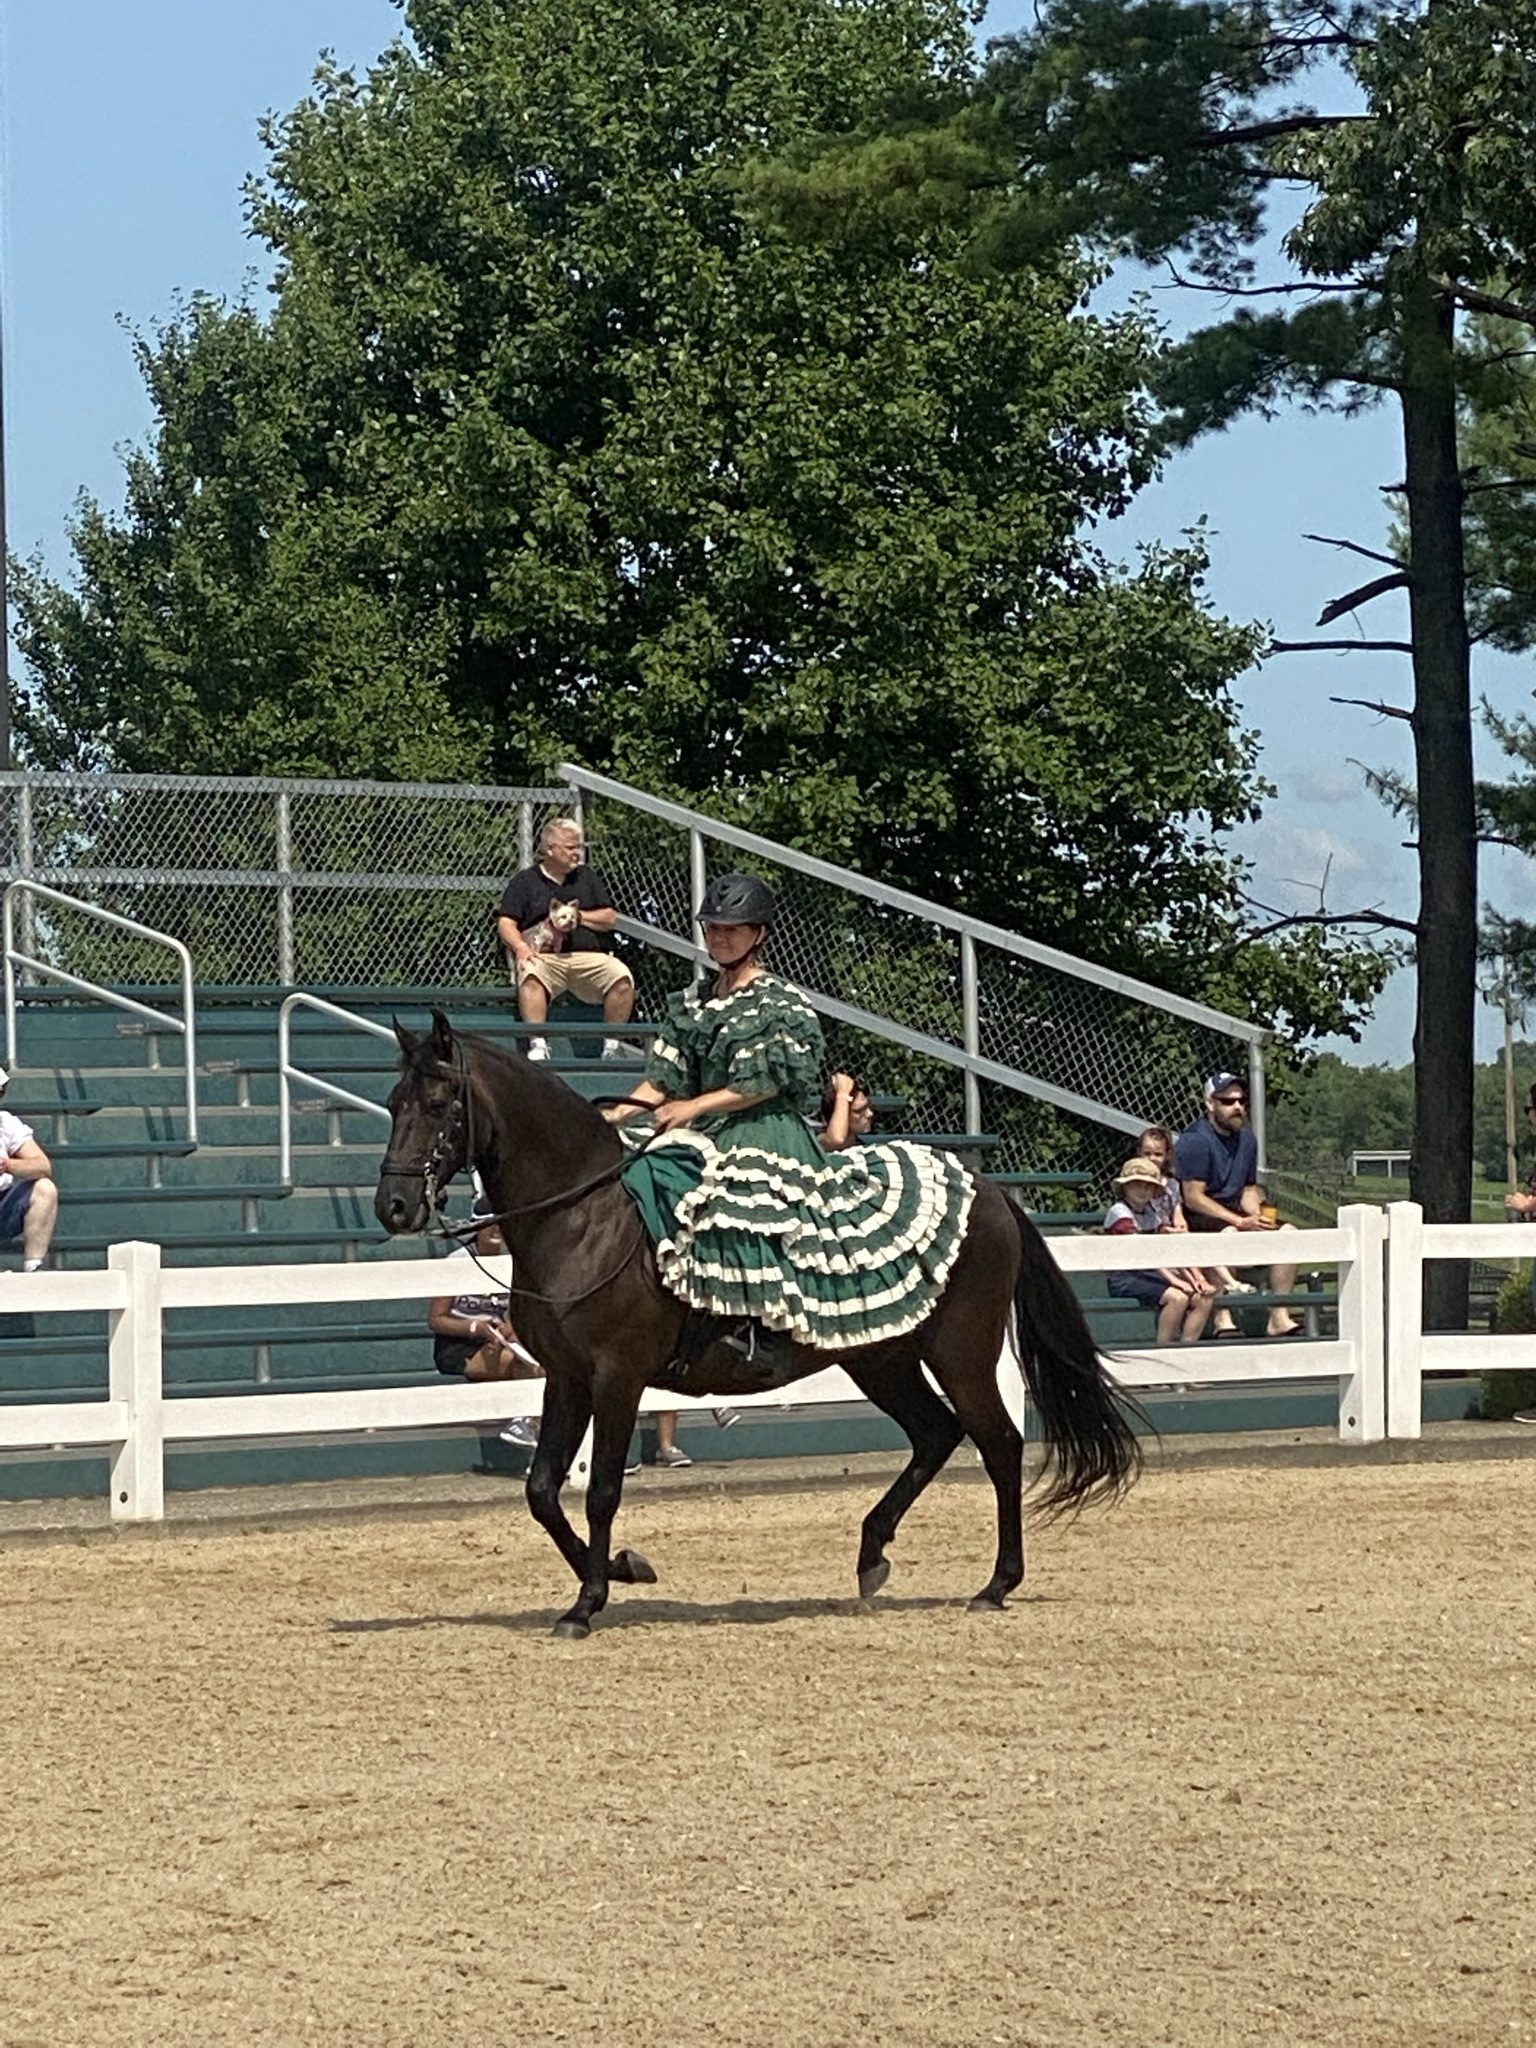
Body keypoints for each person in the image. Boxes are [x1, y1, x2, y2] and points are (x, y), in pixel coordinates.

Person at [605, 873, 974, 1374]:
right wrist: (614, 1114)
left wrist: (693, 1108)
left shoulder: (778, 1002)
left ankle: (759, 1334)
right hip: (701, 1130)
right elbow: (660, 1082)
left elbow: (764, 1084)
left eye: (731, 930)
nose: (719, 937)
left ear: (758, 934)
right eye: (713, 928)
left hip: (763, 1128)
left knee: (738, 1205)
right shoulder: (692, 1002)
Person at [496, 817, 635, 1062]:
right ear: (551, 849)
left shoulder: (587, 877)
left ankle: (613, 1046)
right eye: (571, 848)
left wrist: (578, 917)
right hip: (545, 956)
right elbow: (506, 922)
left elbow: (609, 918)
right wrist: (520, 947)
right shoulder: (525, 881)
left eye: (579, 847)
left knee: (621, 976)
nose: (577, 854)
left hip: (587, 956)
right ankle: (538, 1044)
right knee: (530, 973)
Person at [1174, 1073, 1302, 1338]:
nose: (1237, 1107)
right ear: (1210, 1104)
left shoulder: (1247, 1139)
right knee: (1228, 1235)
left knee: (1288, 1233)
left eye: (1242, 1101)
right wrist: (1239, 1221)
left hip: (1234, 1211)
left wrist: (1258, 1217)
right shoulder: (1195, 1140)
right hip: (1200, 1215)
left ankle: (1279, 1316)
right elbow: (1193, 1197)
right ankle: (1223, 1318)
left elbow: (1248, 1189)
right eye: (1228, 1101)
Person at [427, 1199, 544, 1448]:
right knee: (527, 1366)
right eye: (488, 1224)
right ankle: (523, 1422)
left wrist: (510, 1328)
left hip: (498, 1340)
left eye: (501, 1223)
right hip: (459, 1343)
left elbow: (526, 1309)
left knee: (543, 1360)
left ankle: (533, 1436)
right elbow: (436, 1319)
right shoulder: (456, 1261)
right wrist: (475, 1328)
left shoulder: (511, 1260)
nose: (496, 1230)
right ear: (476, 1227)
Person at [1104, 1157, 1216, 1345]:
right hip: (1125, 1276)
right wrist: (1175, 1281)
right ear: (1125, 1188)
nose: (1143, 1190)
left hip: (1151, 1272)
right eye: (1137, 1185)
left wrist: (1195, 1279)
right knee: (1177, 1298)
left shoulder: (1151, 1213)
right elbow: (1144, 1254)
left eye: (1148, 1186)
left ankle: (1188, 1346)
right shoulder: (1119, 1213)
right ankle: (1163, 1348)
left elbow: (1167, 1249)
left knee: (1204, 1297)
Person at [0, 1068, 59, 1272]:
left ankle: (34, 1266)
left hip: (2, 1205)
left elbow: (42, 1166)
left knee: (44, 1189)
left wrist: (8, 1165)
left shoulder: (5, 1122)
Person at [820, 1072, 874, 1150]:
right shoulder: (820, 1143)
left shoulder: (861, 1147)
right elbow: (836, 1139)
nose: (870, 1114)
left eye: (868, 1107)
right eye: (859, 1111)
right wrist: (842, 1094)